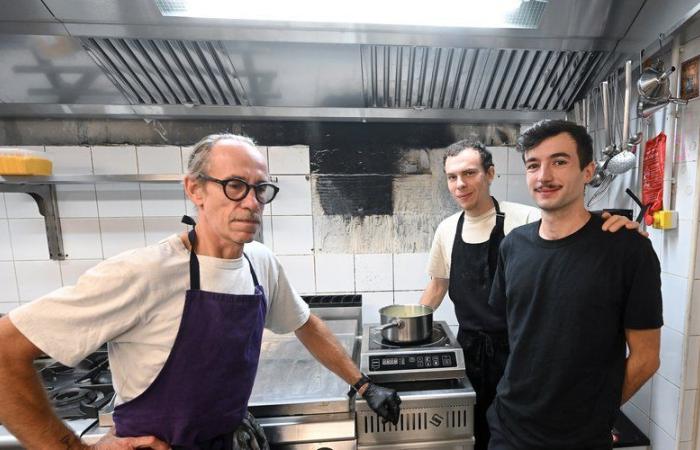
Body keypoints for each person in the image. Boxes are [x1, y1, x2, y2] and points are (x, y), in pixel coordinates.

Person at [0, 134, 401, 450]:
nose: (251, 202)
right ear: (195, 190)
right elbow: (5, 350)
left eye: (260, 189)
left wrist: (363, 384)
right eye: (234, 186)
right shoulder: (146, 272)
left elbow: (305, 323)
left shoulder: (258, 262)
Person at [419, 138, 643, 450]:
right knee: (476, 435)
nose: (460, 184)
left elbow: (574, 234)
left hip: (521, 350)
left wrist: (614, 225)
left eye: (469, 173)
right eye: (452, 177)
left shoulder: (526, 218)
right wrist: (407, 330)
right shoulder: (446, 229)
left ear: (491, 174)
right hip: (469, 350)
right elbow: (438, 285)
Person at [487, 120, 662, 449]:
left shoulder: (627, 249)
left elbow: (646, 358)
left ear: (588, 171)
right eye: (533, 165)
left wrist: (596, 413)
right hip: (509, 429)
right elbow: (517, 336)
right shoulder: (513, 246)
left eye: (559, 161)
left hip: (580, 439)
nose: (544, 176)